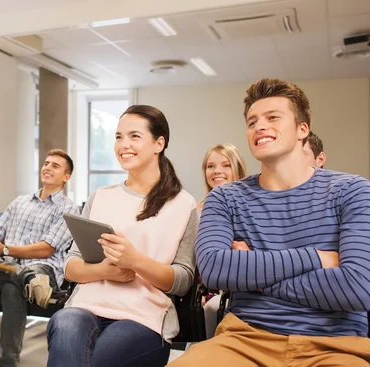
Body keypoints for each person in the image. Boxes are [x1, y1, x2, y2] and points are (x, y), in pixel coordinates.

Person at [168, 78, 370, 366]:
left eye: (272, 117)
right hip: (244, 340)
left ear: (303, 129)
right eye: (252, 122)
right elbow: (214, 269)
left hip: (336, 345)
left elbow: (358, 287)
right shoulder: (225, 198)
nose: (259, 126)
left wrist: (256, 279)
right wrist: (314, 258)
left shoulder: (353, 191)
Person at [47, 105, 198, 367]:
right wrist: (106, 271)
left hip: (144, 315)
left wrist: (135, 261)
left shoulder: (183, 204)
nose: (123, 145)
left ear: (158, 143)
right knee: (64, 322)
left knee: (101, 358)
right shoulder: (100, 197)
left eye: (134, 136)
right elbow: (70, 267)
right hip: (88, 305)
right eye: (118, 137)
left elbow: (183, 280)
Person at [0, 149, 79, 367]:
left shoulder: (69, 208)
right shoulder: (20, 202)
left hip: (42, 269)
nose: (47, 167)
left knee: (13, 288)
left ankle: (8, 361)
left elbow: (47, 249)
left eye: (55, 166)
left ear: (66, 177)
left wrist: (6, 250)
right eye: (46, 163)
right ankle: (24, 277)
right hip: (7, 265)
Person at [198, 143, 247, 339]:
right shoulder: (196, 210)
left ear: (238, 169)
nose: (217, 171)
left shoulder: (251, 209)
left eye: (226, 165)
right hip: (204, 288)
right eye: (210, 166)